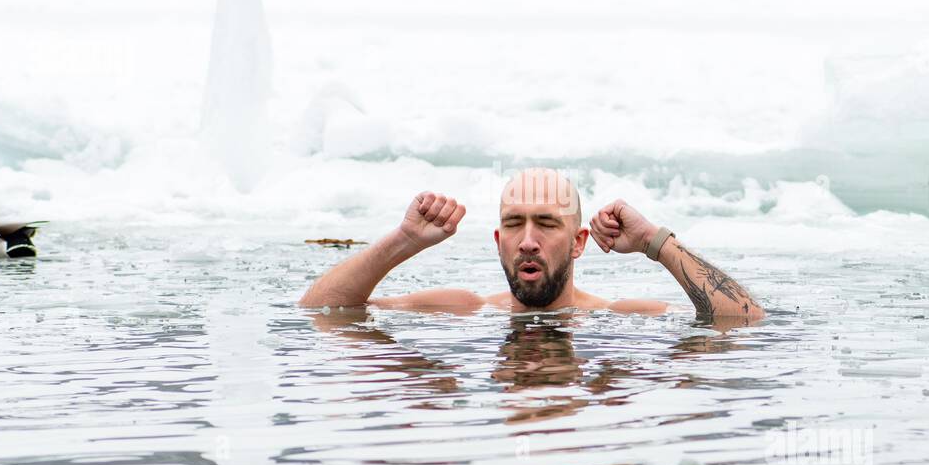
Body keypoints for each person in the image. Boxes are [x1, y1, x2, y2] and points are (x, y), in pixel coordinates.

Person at [298, 167, 764, 324]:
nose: (528, 241)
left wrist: (654, 242)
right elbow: (321, 311)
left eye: (546, 224)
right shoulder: (466, 309)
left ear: (579, 242)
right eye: (514, 226)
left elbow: (742, 320)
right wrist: (403, 242)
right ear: (498, 242)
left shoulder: (618, 317)